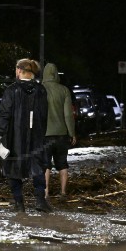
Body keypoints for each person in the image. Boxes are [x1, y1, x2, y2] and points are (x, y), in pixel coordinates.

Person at [0, 58, 51, 213]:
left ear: (19, 70)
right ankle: (40, 200)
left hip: (14, 136)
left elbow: (4, 114)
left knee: (14, 168)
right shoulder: (41, 90)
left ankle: (19, 203)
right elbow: (44, 115)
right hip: (36, 136)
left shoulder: (11, 90)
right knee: (38, 167)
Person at [41, 63, 77, 199]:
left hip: (45, 134)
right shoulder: (64, 90)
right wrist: (72, 133)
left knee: (45, 164)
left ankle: (45, 192)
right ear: (56, 74)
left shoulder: (40, 89)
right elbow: (68, 114)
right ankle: (63, 192)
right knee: (62, 163)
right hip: (62, 134)